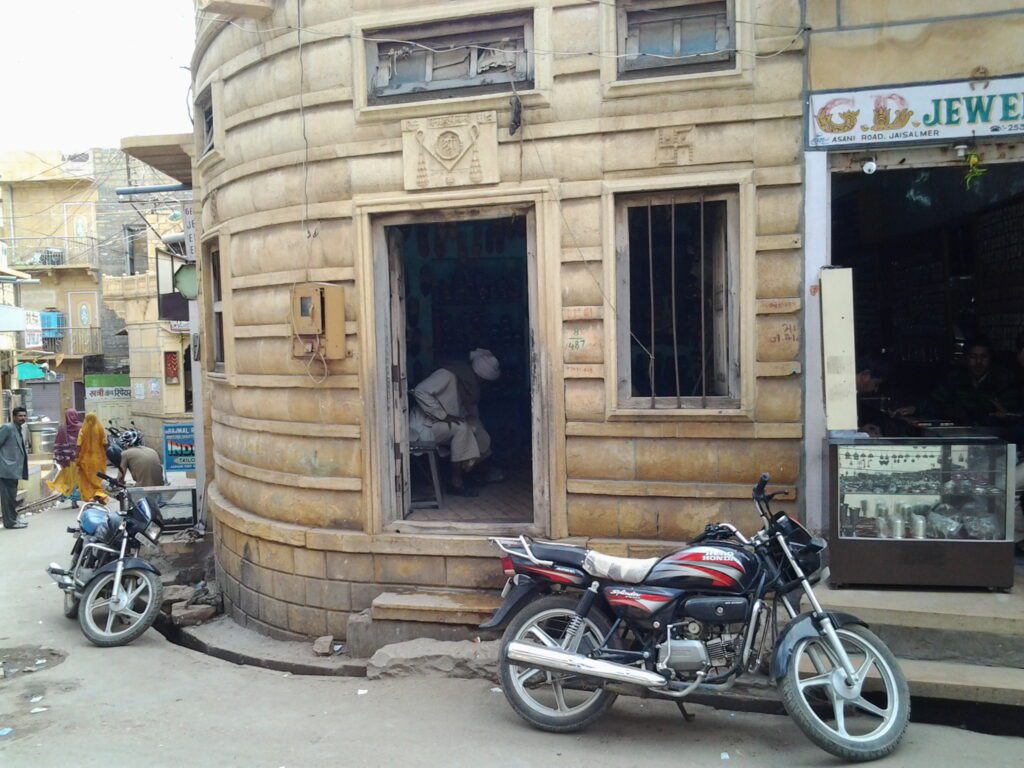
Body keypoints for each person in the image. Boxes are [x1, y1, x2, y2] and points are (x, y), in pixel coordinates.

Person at [409, 348, 500, 496]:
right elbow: (420, 391)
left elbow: (468, 415)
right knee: (461, 429)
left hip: (436, 425)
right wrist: (442, 415)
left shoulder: (467, 386)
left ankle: (469, 475)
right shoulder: (448, 375)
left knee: (477, 432)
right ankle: (456, 482)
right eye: (484, 381)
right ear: (479, 376)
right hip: (420, 427)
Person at [920, 338, 1015, 426]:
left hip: (996, 434)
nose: (978, 362)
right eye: (973, 356)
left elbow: (1013, 414)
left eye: (984, 356)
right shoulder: (956, 378)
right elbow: (935, 400)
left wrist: (1007, 415)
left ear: (991, 358)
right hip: (960, 432)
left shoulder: (1004, 380)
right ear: (966, 358)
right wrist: (917, 408)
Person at [49, 413, 108, 503]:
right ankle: (98, 494)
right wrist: (104, 456)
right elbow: (105, 444)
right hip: (98, 460)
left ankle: (83, 497)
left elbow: (78, 445)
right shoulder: (100, 430)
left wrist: (77, 457)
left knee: (82, 480)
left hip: (80, 459)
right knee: (96, 479)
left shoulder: (82, 429)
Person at [0, 407, 30, 529]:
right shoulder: (7, 428)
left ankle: (13, 519)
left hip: (13, 470)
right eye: (20, 416)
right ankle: (10, 522)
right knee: (7, 498)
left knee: (12, 497)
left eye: (24, 416)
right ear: (14, 417)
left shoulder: (19, 429)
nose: (22, 418)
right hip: (6, 469)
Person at [52, 409, 82, 508]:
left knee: (69, 480)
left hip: (67, 460)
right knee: (78, 480)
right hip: (79, 459)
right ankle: (75, 499)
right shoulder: (81, 427)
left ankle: (69, 497)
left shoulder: (62, 428)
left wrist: (59, 458)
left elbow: (58, 444)